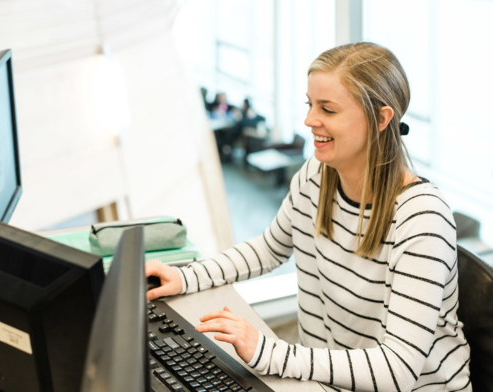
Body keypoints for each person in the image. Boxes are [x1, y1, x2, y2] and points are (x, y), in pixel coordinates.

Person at [146, 42, 471, 391]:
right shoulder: (318, 173)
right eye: (309, 104)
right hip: (328, 380)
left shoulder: (422, 217)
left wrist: (268, 351)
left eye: (327, 109)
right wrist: (187, 277)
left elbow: (397, 370)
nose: (309, 120)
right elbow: (269, 249)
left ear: (381, 118)